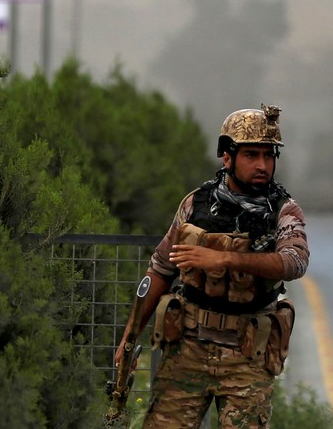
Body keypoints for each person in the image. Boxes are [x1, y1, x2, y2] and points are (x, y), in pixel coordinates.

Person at [114, 104, 310, 428]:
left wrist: (225, 258)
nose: (262, 165)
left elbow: (296, 260)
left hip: (248, 355)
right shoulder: (195, 205)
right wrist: (129, 337)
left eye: (269, 155)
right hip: (188, 350)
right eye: (251, 155)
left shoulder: (283, 212)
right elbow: (160, 269)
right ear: (227, 157)